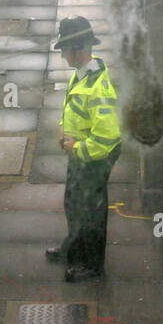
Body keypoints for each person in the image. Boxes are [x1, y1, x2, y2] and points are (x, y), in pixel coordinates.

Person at [45, 17, 122, 282]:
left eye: (64, 50)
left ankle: (92, 265)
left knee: (92, 211)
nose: (63, 56)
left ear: (77, 50)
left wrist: (77, 147)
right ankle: (74, 248)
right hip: (82, 153)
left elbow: (107, 138)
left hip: (93, 157)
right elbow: (71, 108)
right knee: (74, 203)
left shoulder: (98, 90)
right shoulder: (82, 77)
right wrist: (61, 127)